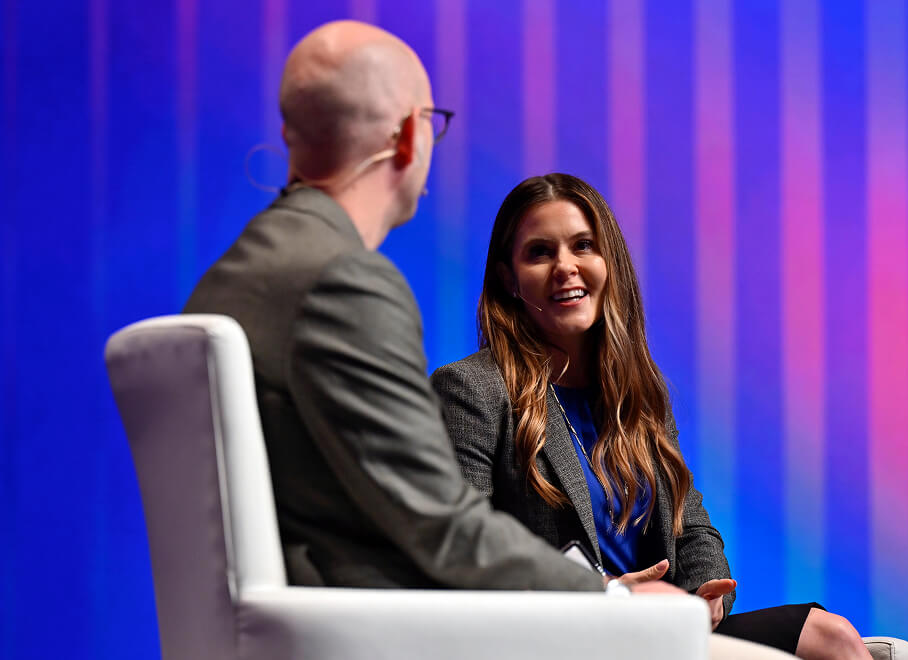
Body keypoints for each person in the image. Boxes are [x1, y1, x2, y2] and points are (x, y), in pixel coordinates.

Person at [183, 20, 681, 595]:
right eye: (430, 122)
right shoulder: (346, 284)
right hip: (374, 625)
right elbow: (442, 530)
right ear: (406, 139)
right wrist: (613, 599)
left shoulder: (226, 280)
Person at [431, 173, 872, 659]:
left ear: (609, 262)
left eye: (583, 246)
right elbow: (464, 549)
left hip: (659, 628)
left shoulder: (638, 394)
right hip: (560, 636)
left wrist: (705, 595)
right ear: (508, 279)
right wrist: (609, 593)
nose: (566, 267)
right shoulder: (473, 388)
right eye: (540, 253)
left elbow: (691, 526)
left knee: (830, 635)